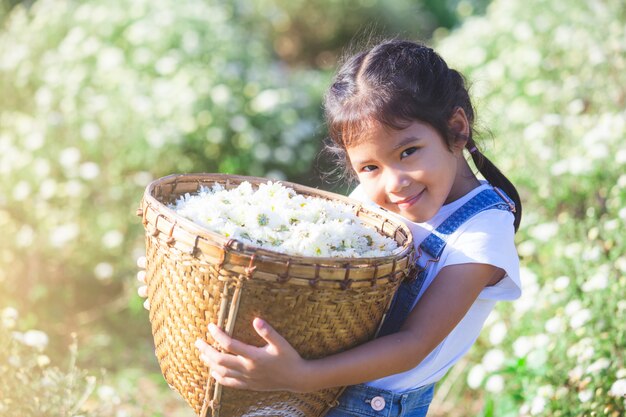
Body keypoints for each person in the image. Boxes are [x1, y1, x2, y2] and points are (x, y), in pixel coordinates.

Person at [137, 38, 522, 417]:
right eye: (370, 168)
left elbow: (414, 342)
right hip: (310, 389)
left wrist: (303, 376)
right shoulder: (371, 203)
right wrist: (177, 286)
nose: (394, 183)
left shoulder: (482, 231)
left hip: (370, 406)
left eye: (408, 152)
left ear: (456, 130)